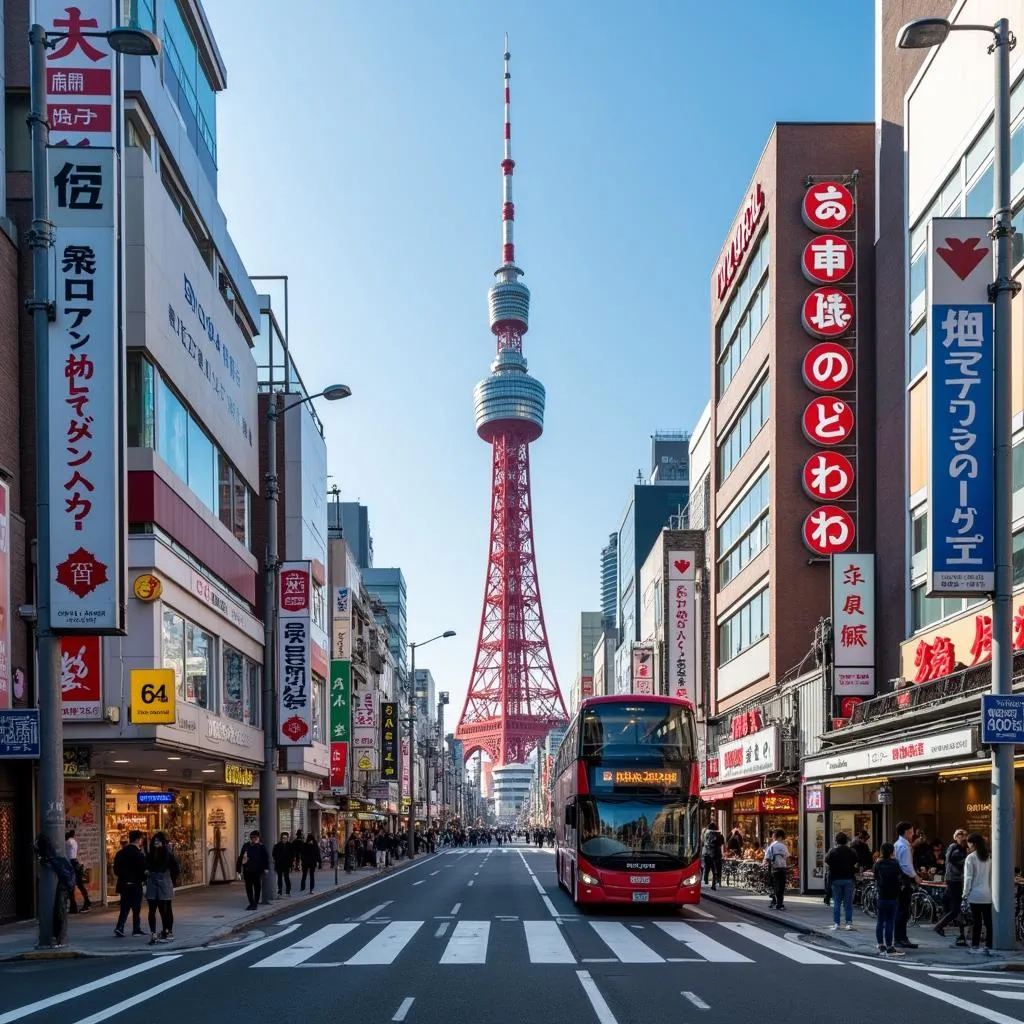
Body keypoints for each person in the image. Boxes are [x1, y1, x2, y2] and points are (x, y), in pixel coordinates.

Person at [934, 829, 968, 946]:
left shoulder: (959, 848)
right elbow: (955, 860)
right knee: (956, 908)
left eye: (964, 835)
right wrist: (967, 857)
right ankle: (940, 926)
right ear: (955, 837)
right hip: (955, 880)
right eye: (960, 836)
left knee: (956, 908)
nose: (963, 838)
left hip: (954, 880)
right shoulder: (954, 848)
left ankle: (961, 934)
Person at [144, 831, 178, 945]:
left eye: (158, 841)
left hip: (164, 883)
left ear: (163, 842)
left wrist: (171, 882)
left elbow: (175, 869)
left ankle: (167, 931)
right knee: (153, 909)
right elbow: (146, 866)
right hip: (154, 883)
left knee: (165, 909)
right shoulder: (150, 854)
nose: (156, 843)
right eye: (155, 841)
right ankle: (154, 933)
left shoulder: (167, 854)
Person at [112, 830, 146, 937]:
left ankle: (120, 927)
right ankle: (136, 929)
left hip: (123, 883)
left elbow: (116, 870)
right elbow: (143, 869)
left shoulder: (120, 853)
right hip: (136, 884)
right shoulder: (139, 854)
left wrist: (124, 876)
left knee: (124, 907)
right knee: (136, 908)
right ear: (139, 839)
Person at [872, 842, 904, 956]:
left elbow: (875, 876)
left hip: (881, 895)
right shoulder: (895, 863)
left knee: (880, 921)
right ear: (892, 852)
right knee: (890, 921)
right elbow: (900, 876)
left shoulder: (878, 864)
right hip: (893, 895)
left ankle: (880, 945)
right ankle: (890, 946)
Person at [963, 832, 993, 953]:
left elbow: (968, 877)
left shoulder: (971, 857)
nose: (968, 845)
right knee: (988, 920)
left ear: (973, 843)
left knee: (977, 921)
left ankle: (975, 944)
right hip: (987, 893)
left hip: (975, 894)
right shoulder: (988, 857)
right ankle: (989, 943)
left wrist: (965, 892)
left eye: (968, 842)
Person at [892, 821, 919, 950]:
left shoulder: (897, 844)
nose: (913, 833)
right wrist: (915, 876)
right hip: (904, 880)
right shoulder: (905, 846)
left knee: (900, 910)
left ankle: (900, 937)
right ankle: (900, 938)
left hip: (898, 881)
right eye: (912, 831)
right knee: (903, 911)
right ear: (906, 832)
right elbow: (906, 865)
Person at [824, 832, 859, 930]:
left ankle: (837, 923)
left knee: (837, 902)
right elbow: (856, 863)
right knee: (848, 903)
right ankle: (848, 923)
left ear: (836, 841)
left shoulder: (833, 851)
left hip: (836, 879)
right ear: (846, 841)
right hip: (848, 879)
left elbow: (827, 861)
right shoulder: (852, 851)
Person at [237, 830, 271, 910]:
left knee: (257, 887)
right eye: (252, 837)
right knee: (248, 887)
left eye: (255, 837)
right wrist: (238, 869)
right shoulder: (246, 845)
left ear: (258, 838)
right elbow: (240, 857)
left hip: (257, 870)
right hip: (247, 870)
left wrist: (266, 868)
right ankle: (251, 902)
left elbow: (265, 858)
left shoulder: (261, 846)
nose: (253, 839)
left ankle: (255, 903)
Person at [64, 828, 92, 913]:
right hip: (74, 862)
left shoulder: (67, 842)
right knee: (79, 884)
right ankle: (85, 902)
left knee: (71, 886)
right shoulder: (73, 841)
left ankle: (75, 906)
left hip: (70, 863)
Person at [763, 829, 790, 911]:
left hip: (774, 868)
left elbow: (767, 858)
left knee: (775, 886)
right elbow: (787, 858)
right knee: (781, 887)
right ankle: (780, 903)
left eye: (773, 835)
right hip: (782, 868)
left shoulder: (771, 846)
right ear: (781, 837)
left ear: (775, 836)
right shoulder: (784, 846)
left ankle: (775, 902)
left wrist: (767, 863)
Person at [701, 822, 725, 890]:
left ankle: (705, 880)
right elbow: (722, 843)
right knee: (715, 870)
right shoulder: (720, 835)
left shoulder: (705, 834)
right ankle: (714, 883)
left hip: (706, 854)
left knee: (706, 867)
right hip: (716, 854)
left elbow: (703, 842)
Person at [272, 831, 293, 896]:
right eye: (283, 838)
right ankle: (280, 891)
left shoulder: (290, 845)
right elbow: (274, 854)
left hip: (287, 865)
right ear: (281, 838)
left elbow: (292, 855)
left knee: (287, 878)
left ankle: (288, 891)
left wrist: (291, 864)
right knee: (279, 878)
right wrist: (276, 860)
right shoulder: (277, 846)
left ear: (288, 838)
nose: (284, 839)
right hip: (279, 864)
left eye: (286, 838)